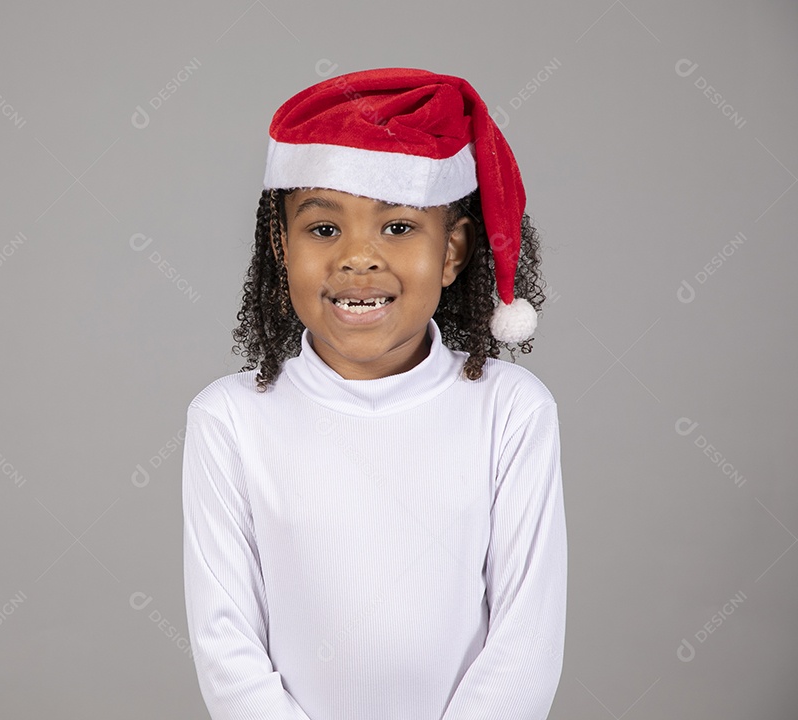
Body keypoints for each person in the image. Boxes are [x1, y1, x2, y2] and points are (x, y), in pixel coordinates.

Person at [181, 67, 566, 720]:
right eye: (324, 229)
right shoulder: (230, 419)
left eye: (398, 227)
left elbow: (525, 641)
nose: (358, 258)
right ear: (282, 248)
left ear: (453, 252)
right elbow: (226, 641)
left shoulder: (511, 411)